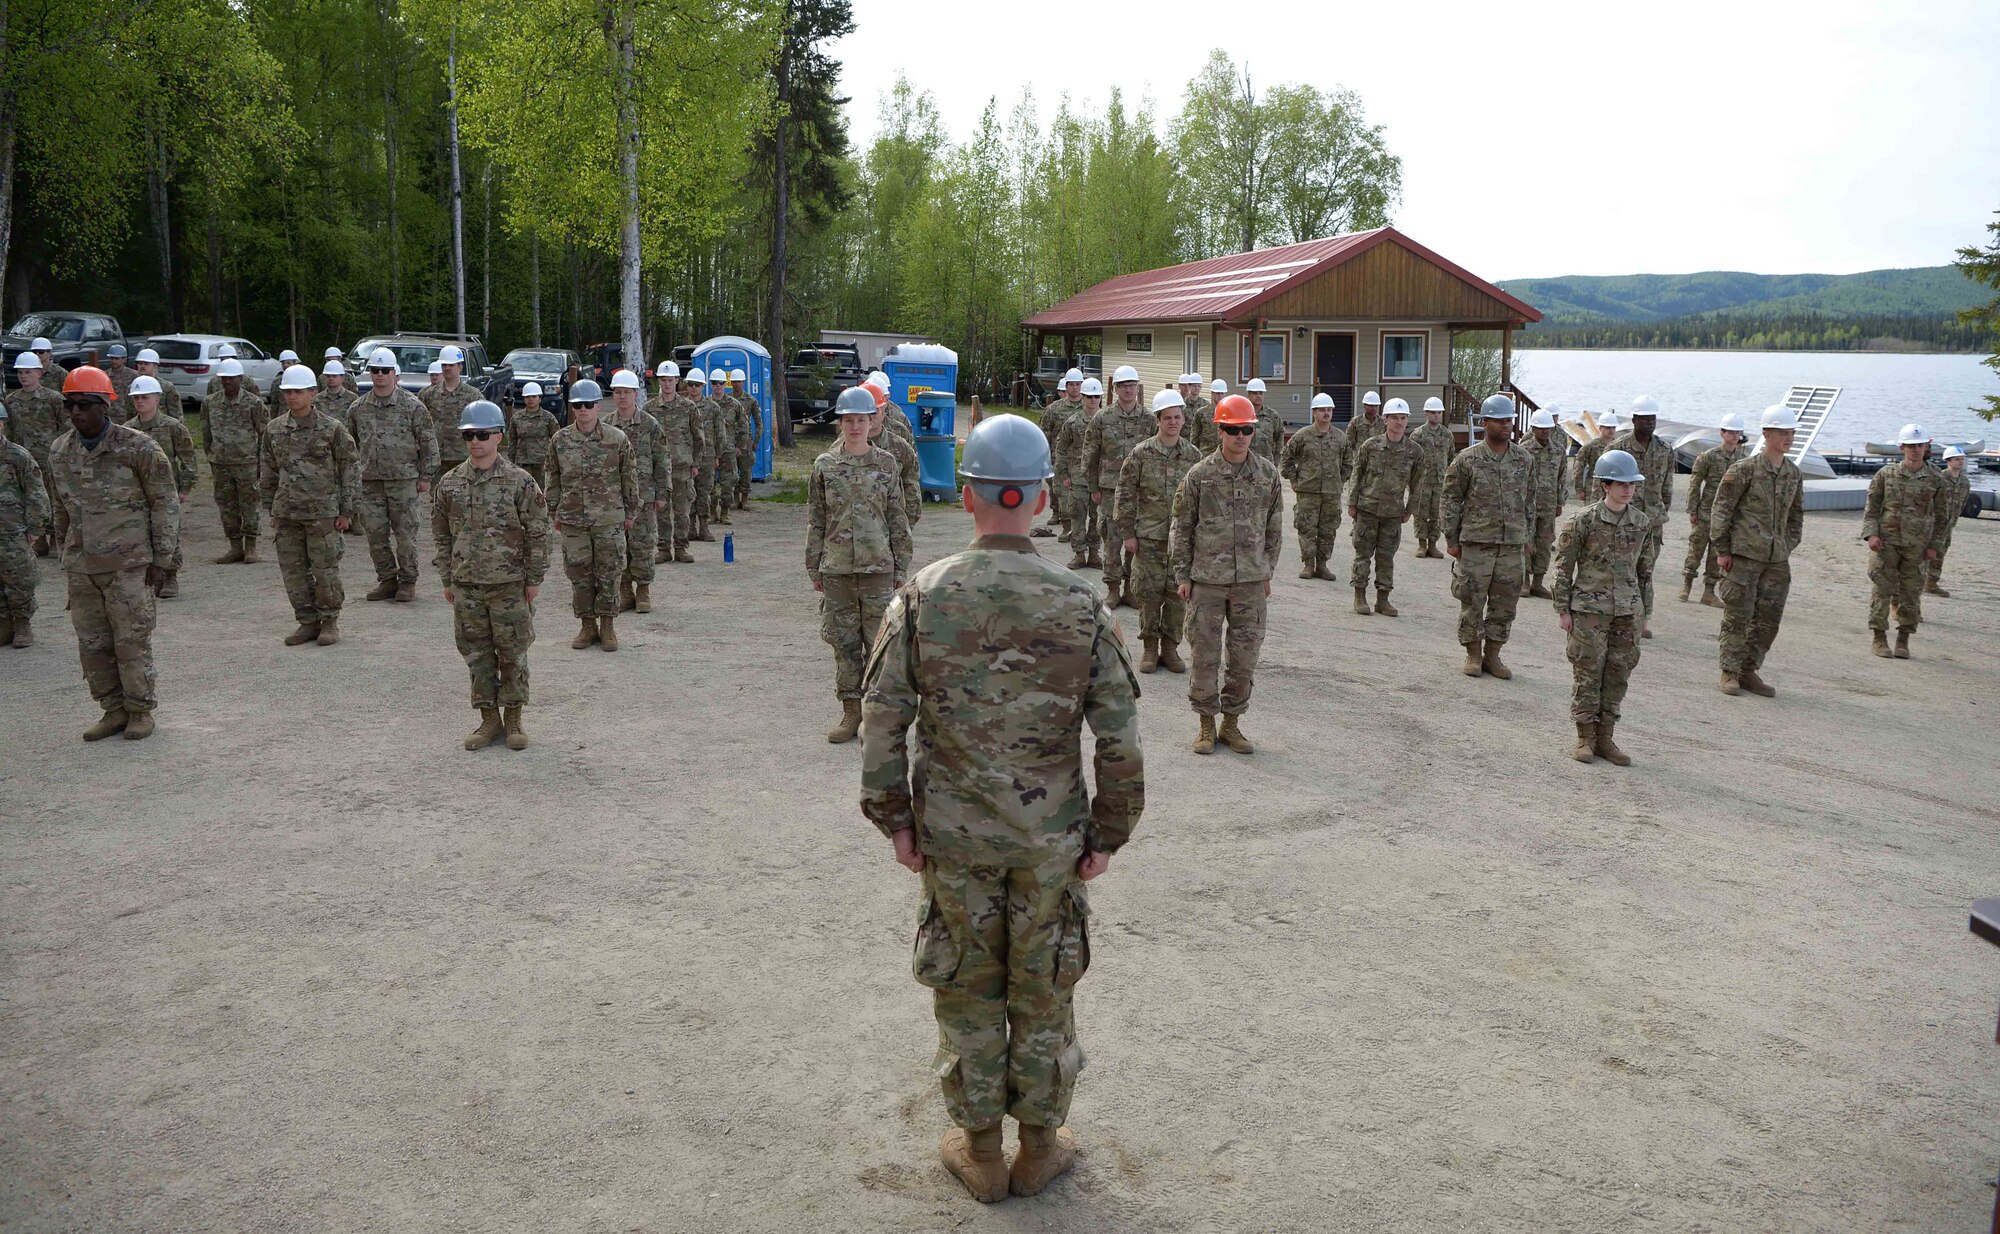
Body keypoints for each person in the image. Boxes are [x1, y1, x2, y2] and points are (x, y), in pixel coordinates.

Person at [859, 412, 1142, 1205]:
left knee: (966, 984)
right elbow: (1118, 733)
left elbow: (882, 717)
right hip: (1051, 841)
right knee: (1045, 986)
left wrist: (897, 821)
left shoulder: (922, 596)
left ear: (969, 496)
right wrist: (1109, 832)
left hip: (953, 838)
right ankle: (1040, 1147)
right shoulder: (1082, 603)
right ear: (1043, 496)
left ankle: (981, 1152)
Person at [45, 367, 180, 740]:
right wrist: (63, 552)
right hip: (82, 565)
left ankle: (139, 710)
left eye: (84, 405)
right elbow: (61, 508)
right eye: (69, 405)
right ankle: (112, 709)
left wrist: (162, 559)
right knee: (92, 645)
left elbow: (164, 503)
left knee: (131, 640)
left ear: (104, 405)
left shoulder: (137, 447)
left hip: (128, 564)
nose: (76, 413)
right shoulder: (60, 451)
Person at [434, 400, 551, 752]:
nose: (475, 442)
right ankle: (488, 719)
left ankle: (514, 718)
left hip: (509, 585)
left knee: (513, 652)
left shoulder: (520, 482)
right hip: (467, 583)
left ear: (499, 436)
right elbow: (441, 533)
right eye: (468, 435)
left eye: (482, 435)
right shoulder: (451, 483)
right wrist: (447, 578)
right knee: (476, 654)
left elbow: (538, 532)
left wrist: (533, 579)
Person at [1171, 394, 1284, 755]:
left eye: (1246, 430)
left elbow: (1275, 528)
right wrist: (1183, 575)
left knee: (1244, 655)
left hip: (1250, 582)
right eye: (1233, 430)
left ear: (1254, 431)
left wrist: (1266, 569)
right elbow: (1183, 527)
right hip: (1207, 580)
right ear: (1220, 429)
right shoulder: (1200, 476)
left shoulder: (1267, 475)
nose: (1240, 437)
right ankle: (1205, 725)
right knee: (1204, 654)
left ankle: (1231, 724)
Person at [807, 386, 912, 743]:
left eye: (861, 420)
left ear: (872, 422)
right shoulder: (824, 465)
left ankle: (876, 714)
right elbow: (816, 519)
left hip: (878, 569)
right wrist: (814, 567)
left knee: (881, 644)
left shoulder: (886, 464)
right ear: (840, 423)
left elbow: (898, 517)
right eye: (849, 420)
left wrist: (901, 568)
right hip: (836, 569)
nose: (855, 426)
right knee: (844, 642)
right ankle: (851, 712)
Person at [1553, 449, 1649, 766]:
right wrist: (1563, 611)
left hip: (1627, 611)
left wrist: (1644, 613)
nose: (1628, 489)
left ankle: (1606, 738)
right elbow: (1564, 569)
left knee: (1618, 674)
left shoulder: (1641, 523)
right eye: (1621, 483)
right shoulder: (1582, 522)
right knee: (1588, 673)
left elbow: (1645, 572)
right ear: (1605, 485)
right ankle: (1585, 738)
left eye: (1632, 483)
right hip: (1588, 611)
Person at [1708, 404, 1804, 697]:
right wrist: (1722, 550)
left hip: (1776, 559)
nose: (1788, 438)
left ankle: (1749, 670)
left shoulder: (1792, 473)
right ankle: (1729, 671)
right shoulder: (1744, 470)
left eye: (1791, 432)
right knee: (1738, 616)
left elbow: (1796, 516)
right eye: (1782, 432)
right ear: (1766, 433)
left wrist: (1787, 545)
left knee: (1768, 620)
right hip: (1744, 557)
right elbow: (1721, 510)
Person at [260, 365, 358, 646]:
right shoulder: (275, 429)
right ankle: (306, 621)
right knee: (293, 571)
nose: (292, 397)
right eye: (288, 392)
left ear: (312, 394)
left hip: (322, 513)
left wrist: (346, 511)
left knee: (325, 570)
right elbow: (267, 469)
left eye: (298, 392)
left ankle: (329, 622)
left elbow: (349, 468)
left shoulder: (332, 428)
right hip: (287, 512)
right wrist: (271, 508)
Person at [1444, 395, 1533, 679]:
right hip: (1476, 543)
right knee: (1471, 600)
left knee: (1505, 603)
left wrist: (1527, 536)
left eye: (1509, 421)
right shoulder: (1467, 460)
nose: (1506, 426)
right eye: (1500, 421)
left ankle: (1493, 655)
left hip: (1511, 545)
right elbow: (1450, 499)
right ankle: (1472, 653)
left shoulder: (1523, 459)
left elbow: (1528, 501)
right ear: (1485, 423)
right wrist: (1452, 539)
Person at [545, 379, 637, 651]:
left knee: (610, 572)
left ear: (598, 406)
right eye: (577, 405)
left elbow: (629, 477)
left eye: (588, 405)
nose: (582, 410)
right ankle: (587, 625)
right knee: (578, 574)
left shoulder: (616, 438)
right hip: (573, 519)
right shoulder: (560, 441)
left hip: (608, 518)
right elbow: (553, 478)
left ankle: (608, 626)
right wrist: (553, 510)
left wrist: (631, 512)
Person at [1116, 388, 1203, 673]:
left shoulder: (1193, 455)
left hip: (1181, 542)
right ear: (1158, 420)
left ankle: (1170, 647)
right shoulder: (1140, 454)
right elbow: (1125, 494)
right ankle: (1149, 647)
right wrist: (1127, 533)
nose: (1173, 422)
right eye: (1168, 418)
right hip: (1149, 538)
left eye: (1178, 417)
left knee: (1177, 596)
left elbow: (1202, 499)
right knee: (1148, 595)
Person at [349, 347, 437, 603]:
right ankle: (387, 580)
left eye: (385, 371)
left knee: (405, 535)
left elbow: (428, 443)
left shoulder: (413, 406)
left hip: (403, 481)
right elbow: (351, 443)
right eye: (375, 371)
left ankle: (408, 581)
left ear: (394, 373)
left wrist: (425, 476)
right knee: (376, 535)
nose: (379, 375)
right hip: (370, 482)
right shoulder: (358, 408)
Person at [1862, 423, 1953, 660]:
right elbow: (1872, 507)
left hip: (1918, 547)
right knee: (1881, 590)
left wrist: (1935, 546)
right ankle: (1879, 638)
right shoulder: (1886, 474)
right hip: (1886, 544)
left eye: (1920, 446)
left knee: (1911, 593)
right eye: (1911, 446)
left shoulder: (1936, 478)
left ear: (1926, 447)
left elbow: (1944, 517)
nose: (1915, 450)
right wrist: (1871, 534)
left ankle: (1903, 639)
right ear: (1902, 447)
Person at [1083, 366, 1157, 608]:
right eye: (1123, 385)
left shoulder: (1148, 419)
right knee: (1112, 540)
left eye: (1132, 385)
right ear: (1115, 389)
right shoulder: (1102, 418)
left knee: (1137, 542)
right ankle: (1113, 589)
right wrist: (1093, 486)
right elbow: (1090, 454)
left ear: (1137, 388)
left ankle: (1131, 589)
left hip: (1140, 491)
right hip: (1110, 491)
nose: (1128, 390)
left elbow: (1155, 454)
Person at [1344, 396, 1422, 616]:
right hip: (1367, 509)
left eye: (1403, 418)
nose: (1399, 422)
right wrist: (1352, 502)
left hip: (1393, 512)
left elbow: (1418, 483)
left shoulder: (1414, 452)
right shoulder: (1371, 446)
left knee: (1386, 558)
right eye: (1395, 418)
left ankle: (1383, 599)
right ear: (1385, 420)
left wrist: (1410, 509)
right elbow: (1357, 474)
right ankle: (1359, 595)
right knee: (1363, 554)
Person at [124, 375, 197, 597]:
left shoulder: (173, 427)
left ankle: (170, 577)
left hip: (167, 490)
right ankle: (147, 576)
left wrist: (185, 489)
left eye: (144, 397)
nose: (139, 401)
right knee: (140, 532)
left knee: (169, 533)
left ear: (157, 399)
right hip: (138, 491)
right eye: (136, 398)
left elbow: (188, 459)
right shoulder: (127, 429)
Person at [1608, 396, 1674, 637]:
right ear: (1634, 420)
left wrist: (1660, 512)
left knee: (1645, 571)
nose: (1649, 423)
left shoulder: (1665, 449)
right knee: (1619, 569)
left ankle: (1642, 619)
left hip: (1652, 523)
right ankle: (1615, 615)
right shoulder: (1618, 449)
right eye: (1644, 418)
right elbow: (1603, 485)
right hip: (1622, 520)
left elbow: (1667, 486)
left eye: (1653, 418)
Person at [608, 368, 668, 615]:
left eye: (627, 392)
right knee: (617, 546)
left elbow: (662, 459)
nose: (622, 397)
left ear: (636, 394)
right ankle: (625, 591)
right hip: (614, 497)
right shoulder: (606, 425)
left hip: (644, 496)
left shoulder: (650, 424)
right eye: (618, 392)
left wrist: (662, 493)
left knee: (642, 544)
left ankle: (643, 590)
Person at [203, 358, 269, 564]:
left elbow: (265, 435)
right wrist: (212, 457)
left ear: (241, 379)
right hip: (221, 464)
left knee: (249, 505)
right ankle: (235, 547)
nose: (227, 382)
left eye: (232, 378)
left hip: (247, 463)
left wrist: (262, 464)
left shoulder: (254, 403)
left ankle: (251, 547)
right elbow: (206, 433)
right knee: (226, 506)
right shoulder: (210, 402)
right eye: (224, 378)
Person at [1682, 413, 1749, 605]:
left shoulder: (1742, 460)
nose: (1735, 435)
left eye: (1738, 432)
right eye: (1731, 432)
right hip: (1706, 512)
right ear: (1722, 433)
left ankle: (1709, 592)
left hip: (1727, 517)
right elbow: (1694, 484)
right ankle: (1686, 585)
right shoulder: (1708, 457)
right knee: (1696, 549)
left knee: (1716, 554)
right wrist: (1692, 510)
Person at [1280, 392, 1346, 581]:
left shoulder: (1340, 437)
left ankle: (1322, 565)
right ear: (1314, 413)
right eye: (1322, 410)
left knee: (1328, 529)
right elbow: (1286, 458)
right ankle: (1308, 565)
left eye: (1329, 410)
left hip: (1332, 493)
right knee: (1307, 529)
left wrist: (1340, 481)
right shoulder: (1303, 436)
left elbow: (1349, 462)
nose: (1326, 413)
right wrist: (1294, 479)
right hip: (1308, 491)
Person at [0, 401, 50, 647]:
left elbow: (36, 493)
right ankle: (3, 622)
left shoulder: (17, 457)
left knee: (19, 577)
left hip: (13, 531)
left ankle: (22, 623)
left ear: (1, 425)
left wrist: (35, 528)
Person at [6, 352, 64, 557]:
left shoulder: (53, 399)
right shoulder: (11, 401)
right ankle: (38, 539)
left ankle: (56, 538)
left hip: (48, 458)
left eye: (27, 372)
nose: (23, 376)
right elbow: (9, 430)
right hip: (22, 459)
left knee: (53, 497)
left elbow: (65, 428)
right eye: (20, 372)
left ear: (39, 373)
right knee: (27, 498)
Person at [646, 362, 703, 562]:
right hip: (659, 470)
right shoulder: (649, 408)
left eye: (670, 380)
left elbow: (698, 437)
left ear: (677, 381)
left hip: (682, 467)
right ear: (659, 382)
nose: (667, 384)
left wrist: (696, 463)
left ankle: (681, 547)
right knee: (661, 511)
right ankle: (663, 549)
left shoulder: (688, 407)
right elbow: (645, 440)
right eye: (663, 380)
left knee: (682, 512)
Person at [1521, 408, 1569, 599]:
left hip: (1548, 505)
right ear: (1533, 428)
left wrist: (1560, 502)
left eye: (1547, 428)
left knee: (1545, 543)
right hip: (1527, 504)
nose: (1544, 432)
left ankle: (1537, 583)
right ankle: (1524, 581)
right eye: (1540, 429)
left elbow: (1561, 477)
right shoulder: (1523, 450)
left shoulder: (1558, 450)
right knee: (1526, 542)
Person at [1037, 368, 1086, 539]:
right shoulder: (1053, 409)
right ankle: (1067, 527)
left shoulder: (1089, 407)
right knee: (1062, 495)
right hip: (1060, 459)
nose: (1074, 388)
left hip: (1083, 461)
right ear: (1066, 386)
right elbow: (1044, 434)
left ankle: (1079, 530)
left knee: (1080, 499)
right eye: (1071, 385)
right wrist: (1045, 458)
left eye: (1078, 384)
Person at [1059, 378, 1103, 568]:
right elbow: (1061, 448)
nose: (1093, 400)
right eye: (1089, 396)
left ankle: (1094, 553)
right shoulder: (1073, 422)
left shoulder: (1107, 420)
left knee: (1097, 518)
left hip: (1101, 479)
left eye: (1096, 396)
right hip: (1078, 478)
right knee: (1077, 516)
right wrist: (1064, 475)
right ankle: (1079, 554)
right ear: (1083, 398)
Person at [422, 345, 479, 483]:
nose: (447, 368)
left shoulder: (473, 395)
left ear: (460, 367)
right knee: (438, 497)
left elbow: (483, 425)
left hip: (463, 456)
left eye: (451, 365)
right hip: (437, 457)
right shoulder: (428, 395)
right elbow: (420, 424)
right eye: (444, 365)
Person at [1408, 395, 1452, 559]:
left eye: (1439, 413)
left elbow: (1451, 457)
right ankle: (1421, 544)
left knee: (1436, 513)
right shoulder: (1417, 435)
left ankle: (1433, 545)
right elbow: (1410, 458)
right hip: (1422, 481)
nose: (1436, 415)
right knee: (1420, 512)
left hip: (1439, 481)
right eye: (1433, 412)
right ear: (1426, 413)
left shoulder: (1447, 435)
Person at [870, 397, 923, 525]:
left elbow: (911, 485)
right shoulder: (840, 447)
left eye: (874, 411)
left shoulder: (899, 444)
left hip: (889, 526)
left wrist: (905, 527)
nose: (870, 417)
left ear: (883, 409)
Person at [1927, 445, 1971, 597]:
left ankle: (1931, 582)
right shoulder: (1940, 478)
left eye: (1962, 459)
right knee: (1925, 553)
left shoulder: (1964, 482)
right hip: (1933, 523)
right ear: (1948, 461)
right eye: (1957, 459)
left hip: (1949, 524)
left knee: (1941, 552)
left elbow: (1963, 502)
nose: (1960, 462)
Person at [684, 368, 719, 543]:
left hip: (706, 457)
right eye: (690, 384)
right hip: (686, 457)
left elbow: (720, 434)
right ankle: (690, 527)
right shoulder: (681, 406)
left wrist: (716, 456)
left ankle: (704, 527)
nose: (693, 388)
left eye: (697, 385)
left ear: (703, 386)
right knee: (689, 493)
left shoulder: (713, 408)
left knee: (704, 492)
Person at [507, 382, 558, 491]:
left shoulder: (548, 418)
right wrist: (512, 460)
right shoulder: (517, 418)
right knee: (522, 490)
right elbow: (512, 439)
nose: (530, 399)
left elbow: (557, 439)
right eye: (527, 397)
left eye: (534, 396)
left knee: (541, 491)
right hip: (522, 462)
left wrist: (554, 460)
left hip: (542, 462)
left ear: (540, 398)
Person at [120, 348, 185, 425]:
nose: (142, 366)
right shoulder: (132, 388)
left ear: (155, 366)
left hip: (162, 429)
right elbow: (129, 413)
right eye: (140, 363)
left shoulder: (167, 387)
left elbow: (176, 415)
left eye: (146, 363)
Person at [729, 367, 759, 509]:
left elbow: (759, 423)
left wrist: (756, 442)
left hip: (746, 440)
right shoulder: (727, 399)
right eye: (734, 381)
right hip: (730, 440)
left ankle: (745, 498)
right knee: (732, 471)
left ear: (743, 382)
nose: (736, 384)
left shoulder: (750, 400)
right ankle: (735, 498)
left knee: (746, 471)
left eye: (739, 381)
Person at [1572, 411, 1618, 501]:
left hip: (1613, 488)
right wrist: (1579, 489)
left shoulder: (1619, 446)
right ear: (1600, 428)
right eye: (1608, 427)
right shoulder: (1590, 446)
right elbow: (1578, 469)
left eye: (1613, 427)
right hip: (1594, 489)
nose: (1611, 430)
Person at [1240, 379, 1282, 461]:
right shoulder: (1241, 414)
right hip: (1245, 462)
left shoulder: (1273, 416)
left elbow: (1279, 441)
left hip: (1266, 463)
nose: (1258, 396)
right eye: (1255, 393)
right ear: (1249, 395)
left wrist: (1276, 463)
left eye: (1261, 393)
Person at [1190, 378, 1229, 453]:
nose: (1220, 396)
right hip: (1206, 454)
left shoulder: (1230, 413)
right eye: (1217, 393)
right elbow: (1194, 436)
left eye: (1222, 393)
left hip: (1224, 455)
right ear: (1212, 394)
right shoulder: (1201, 413)